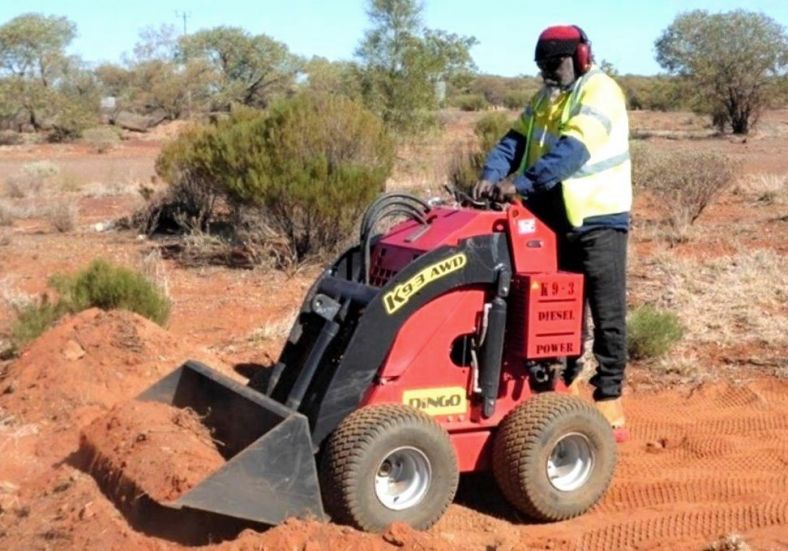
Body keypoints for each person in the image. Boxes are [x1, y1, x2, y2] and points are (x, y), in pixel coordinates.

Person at [473, 25, 631, 442]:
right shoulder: (547, 97)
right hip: (552, 221)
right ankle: (563, 383)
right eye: (542, 65)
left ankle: (609, 397)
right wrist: (492, 174)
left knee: (606, 310)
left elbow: (572, 153)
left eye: (555, 64)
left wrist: (519, 184)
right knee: (557, 308)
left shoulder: (600, 92)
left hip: (598, 219)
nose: (548, 72)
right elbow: (514, 140)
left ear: (580, 57)